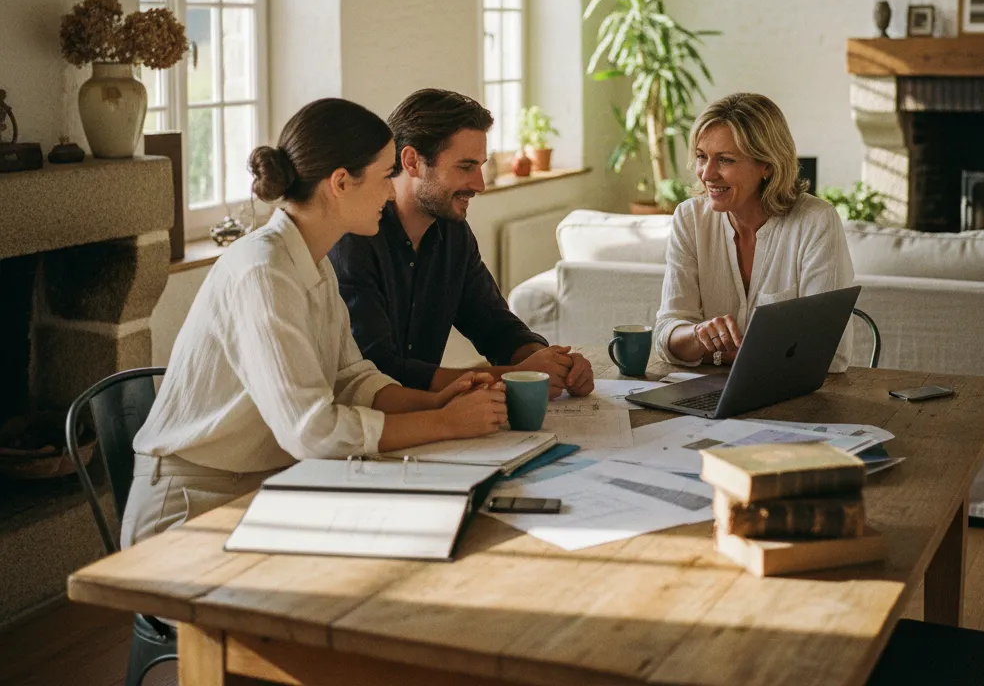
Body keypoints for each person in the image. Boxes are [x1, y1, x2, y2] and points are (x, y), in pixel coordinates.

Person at [121, 98, 507, 547]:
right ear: (340, 183)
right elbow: (312, 431)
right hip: (193, 507)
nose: (390, 192)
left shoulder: (314, 264)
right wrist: (445, 424)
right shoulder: (262, 271)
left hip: (268, 486)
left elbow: (353, 379)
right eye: (385, 177)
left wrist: (437, 400)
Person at [329, 88, 594, 400]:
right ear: (412, 161)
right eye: (465, 167)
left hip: (430, 422)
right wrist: (517, 374)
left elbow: (495, 326)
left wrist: (552, 362)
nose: (479, 184)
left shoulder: (453, 234)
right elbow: (379, 371)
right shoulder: (354, 240)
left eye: (481, 166)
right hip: (367, 431)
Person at [655, 92, 855, 372]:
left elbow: (830, 355)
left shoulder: (815, 222)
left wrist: (713, 354)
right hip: (708, 395)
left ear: (767, 166)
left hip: (793, 401)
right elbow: (667, 335)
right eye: (702, 157)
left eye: (725, 160)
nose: (707, 173)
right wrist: (700, 334)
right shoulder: (689, 219)